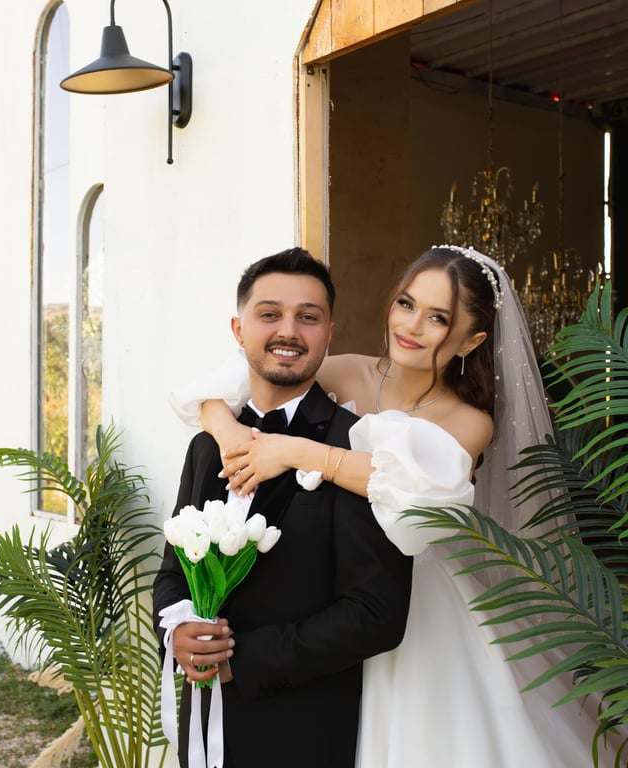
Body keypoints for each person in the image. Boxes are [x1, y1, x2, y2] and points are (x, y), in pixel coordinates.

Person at [169, 244, 623, 767]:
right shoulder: (343, 371)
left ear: (471, 340)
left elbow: (407, 491)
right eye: (406, 304)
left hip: (422, 605)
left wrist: (296, 451)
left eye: (438, 318)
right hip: (328, 590)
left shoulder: (469, 420)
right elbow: (240, 379)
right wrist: (226, 430)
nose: (412, 325)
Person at [152, 247, 413, 768]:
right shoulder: (207, 445)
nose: (288, 331)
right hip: (203, 727)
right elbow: (173, 572)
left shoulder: (358, 449)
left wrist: (243, 661)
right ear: (239, 329)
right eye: (269, 314)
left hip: (304, 733)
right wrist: (178, 630)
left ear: (329, 333)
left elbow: (377, 614)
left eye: (307, 317)